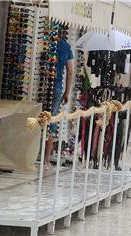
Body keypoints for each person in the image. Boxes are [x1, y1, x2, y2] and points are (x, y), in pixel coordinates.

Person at [45, 31, 74, 165]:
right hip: (56, 87)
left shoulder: (46, 42)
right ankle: (46, 158)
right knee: (52, 119)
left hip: (43, 83)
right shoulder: (66, 46)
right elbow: (70, 72)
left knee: (37, 116)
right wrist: (67, 93)